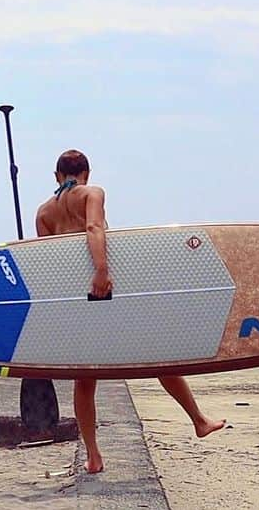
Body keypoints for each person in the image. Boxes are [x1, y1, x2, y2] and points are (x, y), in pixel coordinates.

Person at [35, 149, 225, 474]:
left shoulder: (43, 213)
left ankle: (94, 457)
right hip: (106, 292)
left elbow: (49, 264)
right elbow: (94, 229)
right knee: (156, 354)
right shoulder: (92, 193)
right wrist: (101, 271)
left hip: (78, 305)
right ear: (87, 173)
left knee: (85, 379)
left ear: (56, 176)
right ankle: (198, 420)